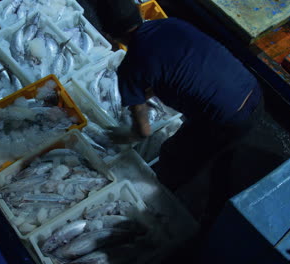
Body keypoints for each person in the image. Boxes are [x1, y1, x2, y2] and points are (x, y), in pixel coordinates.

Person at [97, 0, 264, 191]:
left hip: (228, 119)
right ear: (138, 12)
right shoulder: (171, 24)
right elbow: (172, 65)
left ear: (109, 34)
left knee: (173, 156)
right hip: (253, 91)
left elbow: (143, 132)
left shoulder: (131, 67)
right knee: (220, 147)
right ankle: (222, 158)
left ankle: (163, 198)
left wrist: (125, 136)